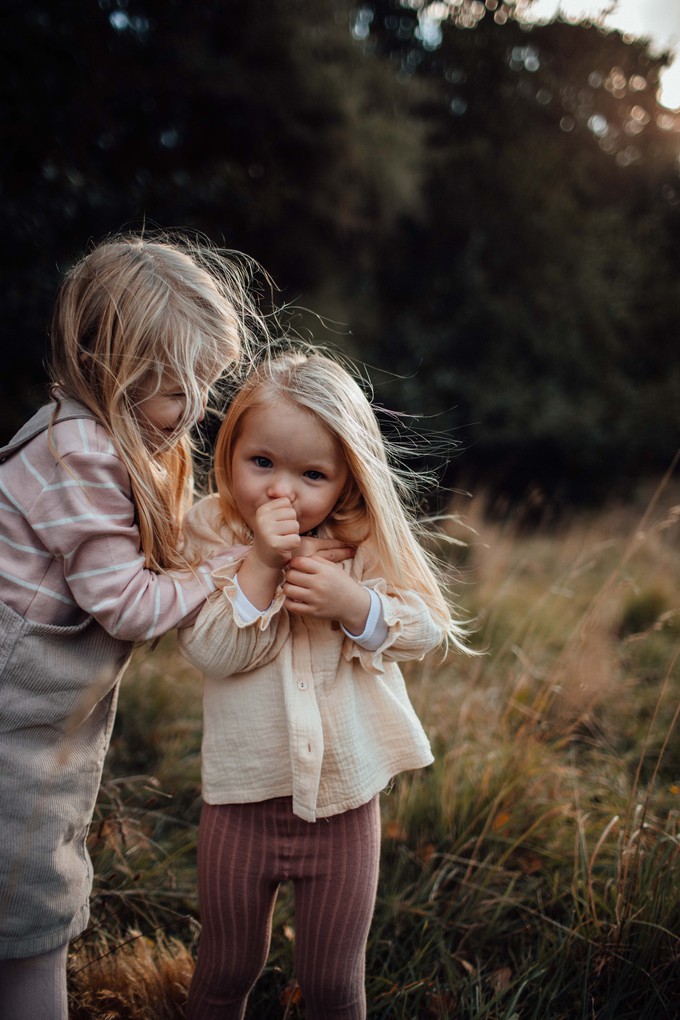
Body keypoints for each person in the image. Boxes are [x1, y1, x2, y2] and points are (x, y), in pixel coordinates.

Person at [0, 231, 285, 1019]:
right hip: (9, 729)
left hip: (28, 725)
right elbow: (123, 603)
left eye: (204, 378)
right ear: (104, 371)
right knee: (30, 916)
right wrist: (232, 566)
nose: (192, 405)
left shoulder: (80, 434)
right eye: (167, 384)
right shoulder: (80, 452)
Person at [178, 350, 471, 1020]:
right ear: (230, 454)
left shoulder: (363, 541)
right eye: (263, 464)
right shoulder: (210, 533)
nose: (282, 491)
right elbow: (210, 652)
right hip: (241, 802)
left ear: (346, 481)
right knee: (225, 969)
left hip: (345, 804)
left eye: (312, 474)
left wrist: (354, 606)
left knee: (334, 985)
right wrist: (258, 566)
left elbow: (427, 628)